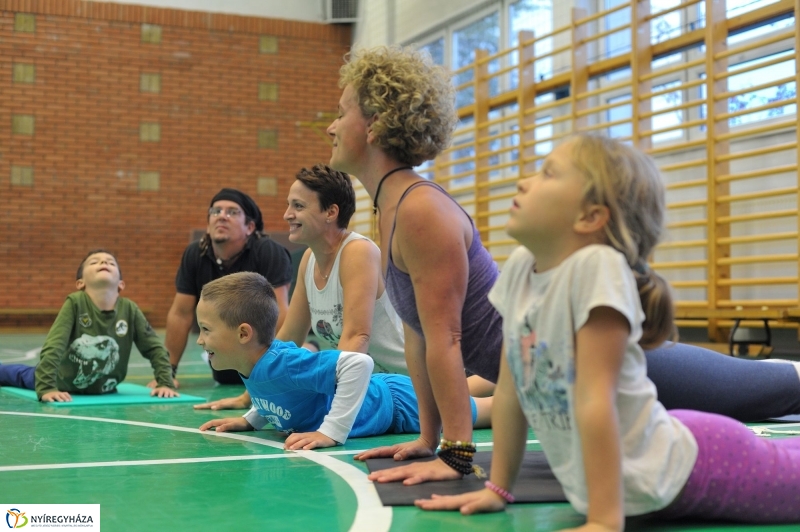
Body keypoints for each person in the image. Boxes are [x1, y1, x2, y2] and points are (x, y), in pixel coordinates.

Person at [331, 45, 800, 485]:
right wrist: (428, 437)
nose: (331, 127)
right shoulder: (390, 207)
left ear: (374, 125)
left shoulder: (420, 209)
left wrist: (456, 453)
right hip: (556, 373)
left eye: (341, 112)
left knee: (771, 388)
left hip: (609, 361)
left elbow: (446, 339)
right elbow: (417, 334)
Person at [415, 134, 800, 526]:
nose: (523, 182)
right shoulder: (521, 268)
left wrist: (603, 520)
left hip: (700, 464)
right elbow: (512, 393)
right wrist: (497, 489)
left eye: (548, 174)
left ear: (590, 217)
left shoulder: (597, 268)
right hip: (673, 439)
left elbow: (595, 399)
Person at [195, 272, 491, 449]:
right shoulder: (255, 363)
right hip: (387, 395)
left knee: (487, 410)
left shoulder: (283, 363)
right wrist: (250, 420)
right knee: (457, 390)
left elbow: (358, 364)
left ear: (243, 334)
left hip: (397, 406)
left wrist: (331, 431)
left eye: (206, 330)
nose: (199, 340)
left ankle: (517, 386)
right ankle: (498, 375)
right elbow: (278, 392)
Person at [194, 163, 406, 411]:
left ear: (331, 212)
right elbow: (288, 337)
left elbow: (357, 337)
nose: (287, 214)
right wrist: (252, 400)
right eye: (289, 205)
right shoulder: (309, 259)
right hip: (368, 390)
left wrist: (334, 415)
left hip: (404, 388)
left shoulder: (358, 251)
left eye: (298, 206)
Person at [0, 250, 178, 402]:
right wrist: (47, 387)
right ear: (80, 283)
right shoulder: (75, 302)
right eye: (94, 262)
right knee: (17, 374)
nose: (103, 262)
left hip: (104, 389)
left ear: (121, 284)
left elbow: (155, 348)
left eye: (111, 263)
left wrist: (165, 383)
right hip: (61, 381)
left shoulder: (130, 310)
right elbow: (54, 345)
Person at [160, 188, 293, 387]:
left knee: (274, 370)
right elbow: (180, 314)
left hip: (261, 347)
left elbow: (280, 313)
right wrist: (167, 372)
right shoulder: (195, 254)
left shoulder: (269, 252)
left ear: (250, 227)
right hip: (228, 348)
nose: (221, 216)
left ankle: (308, 349)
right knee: (225, 378)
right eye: (216, 211)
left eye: (232, 212)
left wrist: (272, 369)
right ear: (208, 225)